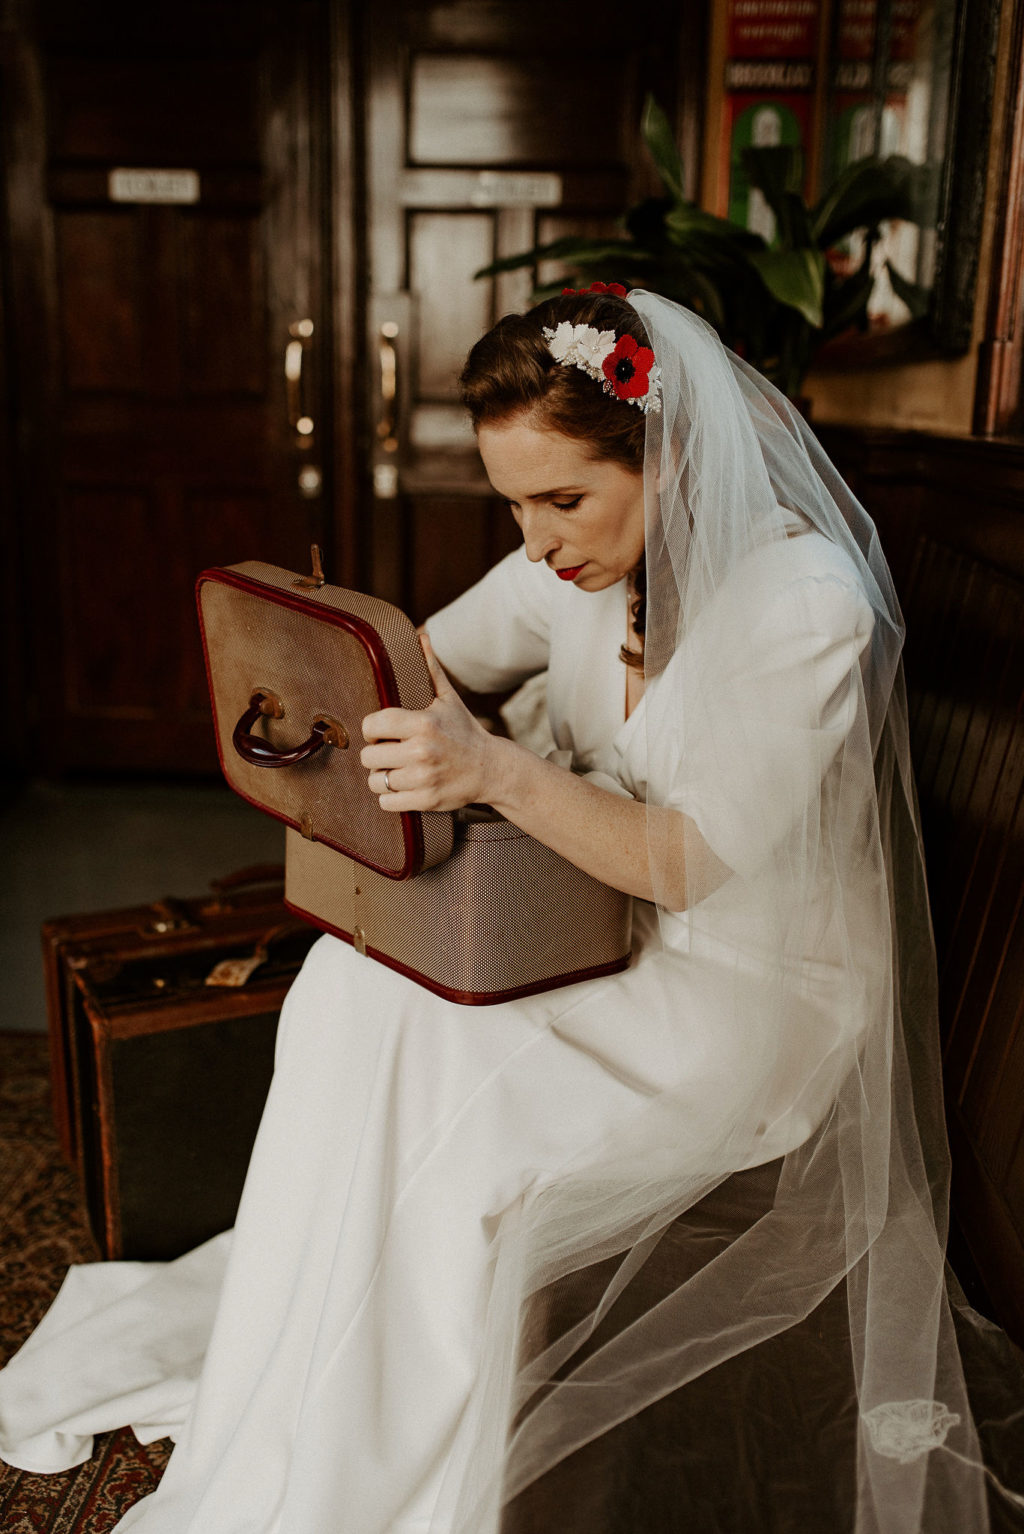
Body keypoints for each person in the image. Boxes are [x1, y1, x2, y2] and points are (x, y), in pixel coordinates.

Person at [0, 286, 1020, 1534]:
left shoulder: (805, 603)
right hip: (598, 929)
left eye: (563, 499)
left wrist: (491, 769)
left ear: (672, 454)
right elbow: (429, 653)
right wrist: (371, 707)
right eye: (515, 504)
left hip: (752, 995)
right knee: (344, 994)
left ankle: (366, 1442)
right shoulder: (575, 567)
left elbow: (690, 863)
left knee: (445, 1081)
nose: (536, 540)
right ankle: (308, 1365)